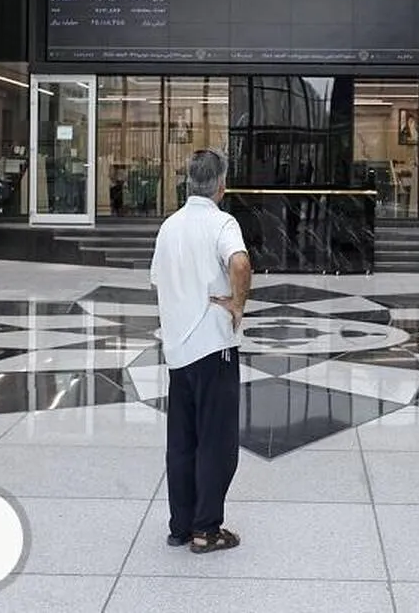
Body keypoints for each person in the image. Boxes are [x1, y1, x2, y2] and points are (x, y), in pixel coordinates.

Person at [149, 148, 251, 555]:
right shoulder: (222, 222)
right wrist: (237, 304)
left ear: (189, 182)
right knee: (216, 442)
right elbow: (239, 263)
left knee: (182, 441)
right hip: (213, 348)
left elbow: (158, 280)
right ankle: (206, 530)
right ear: (221, 185)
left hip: (178, 350)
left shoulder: (169, 226)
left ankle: (180, 525)